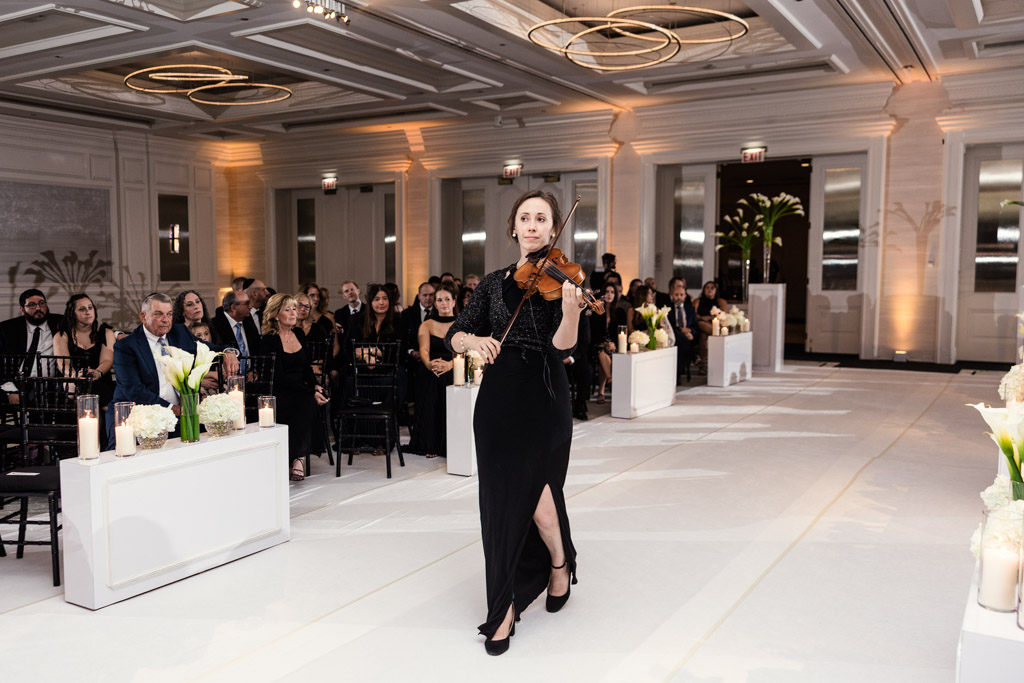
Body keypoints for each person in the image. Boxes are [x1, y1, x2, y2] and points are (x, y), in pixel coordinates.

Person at [445, 189, 583, 656]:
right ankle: (502, 607)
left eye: (541, 218)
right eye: (525, 217)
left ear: (553, 228)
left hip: (544, 394)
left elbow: (563, 347)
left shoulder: (563, 279)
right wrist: (473, 341)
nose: (532, 225)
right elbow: (454, 333)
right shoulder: (491, 284)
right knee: (500, 504)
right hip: (499, 398)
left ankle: (559, 562)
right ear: (513, 227)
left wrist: (570, 312)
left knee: (542, 504)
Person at [107, 293, 239, 446]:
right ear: (143, 317)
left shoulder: (179, 332)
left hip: (179, 416)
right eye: (158, 314)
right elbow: (133, 390)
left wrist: (228, 352)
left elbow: (208, 348)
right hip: (137, 417)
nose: (166, 319)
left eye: (169, 314)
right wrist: (173, 409)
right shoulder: (126, 346)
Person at [261, 293, 328, 481]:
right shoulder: (269, 340)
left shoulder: (298, 333)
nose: (293, 313)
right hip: (280, 391)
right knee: (306, 402)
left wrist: (315, 386)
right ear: (276, 315)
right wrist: (310, 392)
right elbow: (279, 377)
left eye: (294, 309)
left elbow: (306, 367)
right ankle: (298, 458)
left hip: (302, 388)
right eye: (287, 310)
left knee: (308, 401)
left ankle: (297, 458)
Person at [53, 294, 116, 432]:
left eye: (90, 308)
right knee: (81, 384)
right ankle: (109, 409)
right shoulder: (62, 335)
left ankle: (95, 435)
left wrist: (97, 372)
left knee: (91, 386)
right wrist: (77, 376)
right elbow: (63, 363)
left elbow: (107, 360)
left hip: (99, 379)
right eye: (82, 309)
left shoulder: (105, 332)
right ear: (72, 313)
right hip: (72, 381)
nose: (88, 312)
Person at [409, 283, 456, 458]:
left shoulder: (462, 324)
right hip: (431, 366)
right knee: (429, 379)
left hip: (454, 366)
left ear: (454, 301)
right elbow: (424, 349)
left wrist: (450, 365)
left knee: (448, 380)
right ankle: (429, 443)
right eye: (439, 300)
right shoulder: (427, 324)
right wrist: (429, 365)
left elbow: (464, 352)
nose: (444, 303)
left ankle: (448, 445)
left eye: (447, 299)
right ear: (435, 303)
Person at [0, 288, 63, 374]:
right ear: (22, 309)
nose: (38, 308)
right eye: (31, 305)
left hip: (52, 380)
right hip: (16, 380)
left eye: (42, 303)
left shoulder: (60, 323)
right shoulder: (7, 329)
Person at [589, 283, 627, 403]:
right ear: (602, 294)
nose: (609, 294)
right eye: (607, 292)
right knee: (601, 351)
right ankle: (610, 379)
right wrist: (605, 343)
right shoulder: (596, 310)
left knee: (605, 354)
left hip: (613, 346)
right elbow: (593, 333)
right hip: (596, 344)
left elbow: (622, 332)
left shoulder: (620, 312)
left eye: (612, 292)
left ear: (615, 295)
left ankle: (601, 391)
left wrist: (614, 344)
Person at [211, 289, 261, 357]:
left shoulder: (249, 322)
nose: (250, 306)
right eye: (247, 304)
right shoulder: (214, 325)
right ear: (233, 308)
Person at [667, 277, 698, 382]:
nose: (679, 297)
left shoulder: (690, 309)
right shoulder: (667, 309)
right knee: (678, 337)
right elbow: (669, 325)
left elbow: (695, 325)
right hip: (673, 335)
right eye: (676, 295)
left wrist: (690, 332)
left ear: (685, 296)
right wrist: (682, 331)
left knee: (681, 344)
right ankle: (693, 356)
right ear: (672, 296)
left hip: (688, 337)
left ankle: (678, 374)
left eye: (681, 295)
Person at [565, 309, 591, 421]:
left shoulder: (582, 316)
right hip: (556, 355)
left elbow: (585, 342)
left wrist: (571, 358)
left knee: (587, 371)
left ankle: (579, 406)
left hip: (575, 355)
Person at [694, 280, 728, 363]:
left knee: (703, 335)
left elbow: (723, 315)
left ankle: (704, 362)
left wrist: (709, 317)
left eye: (712, 288)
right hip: (700, 324)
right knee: (701, 327)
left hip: (715, 324)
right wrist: (702, 318)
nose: (709, 290)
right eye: (707, 288)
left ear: (716, 290)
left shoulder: (720, 301)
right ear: (704, 290)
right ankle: (704, 362)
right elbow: (693, 314)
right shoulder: (698, 301)